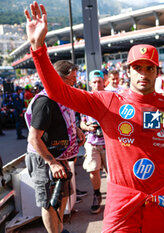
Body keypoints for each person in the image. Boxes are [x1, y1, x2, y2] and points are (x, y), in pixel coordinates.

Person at [25, 2, 164, 233]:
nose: (143, 74)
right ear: (128, 71)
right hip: (121, 204)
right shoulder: (107, 102)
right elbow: (59, 92)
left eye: (150, 68)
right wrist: (38, 48)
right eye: (138, 67)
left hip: (158, 202)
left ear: (158, 72)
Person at [24, 60, 85, 233]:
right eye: (71, 79)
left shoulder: (62, 97)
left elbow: (61, 122)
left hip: (60, 156)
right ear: (58, 79)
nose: (75, 82)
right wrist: (52, 163)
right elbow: (34, 138)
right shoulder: (46, 102)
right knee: (49, 202)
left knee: (63, 194)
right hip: (44, 158)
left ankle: (59, 228)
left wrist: (77, 130)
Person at [79, 70, 108, 214]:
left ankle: (115, 200)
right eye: (94, 82)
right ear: (90, 84)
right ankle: (97, 195)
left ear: (104, 82)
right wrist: (88, 127)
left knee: (113, 174)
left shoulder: (110, 97)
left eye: (99, 81)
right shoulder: (85, 99)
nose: (97, 84)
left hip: (109, 143)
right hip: (92, 142)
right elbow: (82, 123)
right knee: (93, 171)